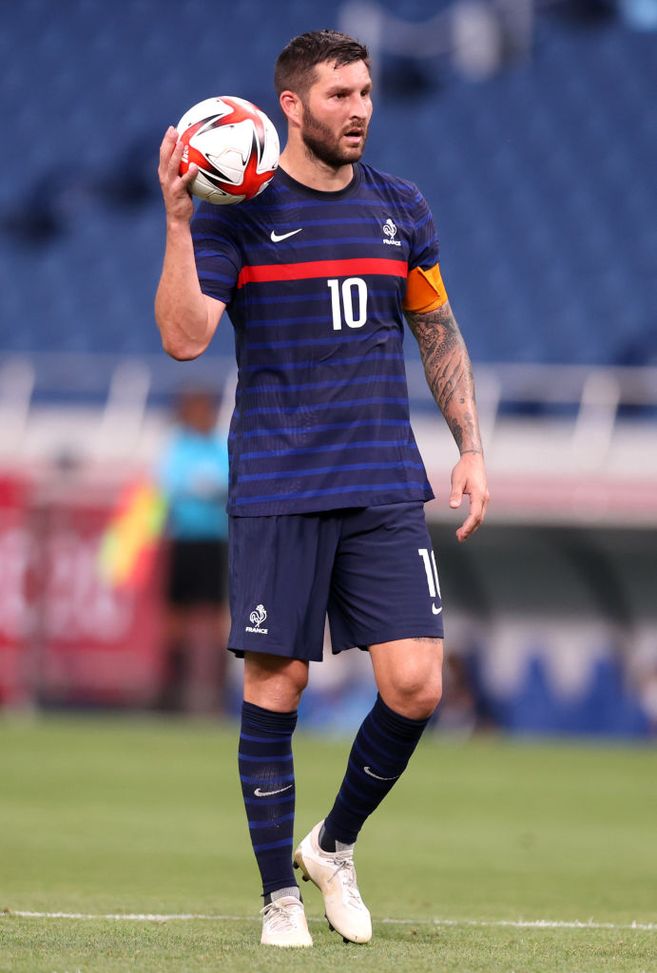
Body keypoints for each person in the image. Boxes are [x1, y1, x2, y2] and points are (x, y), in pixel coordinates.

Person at [155, 29, 489, 948]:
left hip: (382, 481)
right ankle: (277, 898)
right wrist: (180, 225)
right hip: (278, 481)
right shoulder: (238, 215)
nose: (360, 110)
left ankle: (332, 845)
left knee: (417, 683)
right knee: (279, 680)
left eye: (367, 92)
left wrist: (469, 444)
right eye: (339, 95)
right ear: (290, 107)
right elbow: (185, 339)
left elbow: (437, 328)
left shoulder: (400, 208)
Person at [157, 389, 230, 714]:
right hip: (184, 541)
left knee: (216, 617)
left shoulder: (220, 446)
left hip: (214, 543)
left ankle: (216, 694)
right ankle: (173, 692)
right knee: (177, 618)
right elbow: (170, 484)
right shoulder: (178, 447)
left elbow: (230, 481)